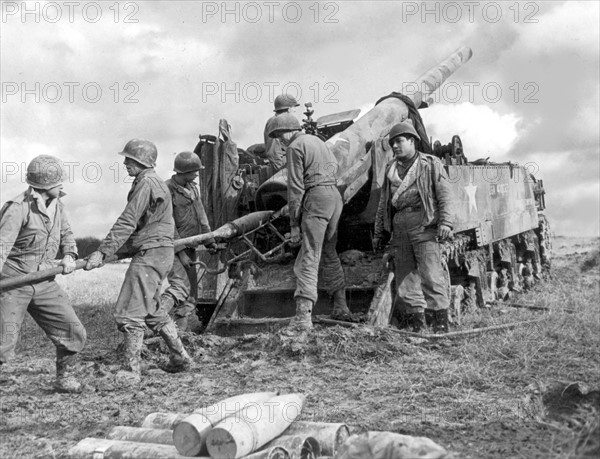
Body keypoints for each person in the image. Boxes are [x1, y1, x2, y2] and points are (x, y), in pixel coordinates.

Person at [85, 139, 192, 383]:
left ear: (142, 162)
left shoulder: (147, 183)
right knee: (152, 312)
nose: (124, 163)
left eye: (129, 160)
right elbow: (144, 229)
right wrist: (111, 253)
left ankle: (131, 372)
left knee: (129, 313)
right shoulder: (152, 183)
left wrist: (103, 251)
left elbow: (128, 221)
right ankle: (181, 358)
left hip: (151, 254)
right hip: (160, 252)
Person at [0, 155, 85, 392]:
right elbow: (1, 247)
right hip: (14, 281)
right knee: (3, 344)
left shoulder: (58, 205)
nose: (62, 186)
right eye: (59, 182)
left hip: (44, 280)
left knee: (73, 331)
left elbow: (67, 234)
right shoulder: (18, 209)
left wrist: (70, 255)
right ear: (46, 184)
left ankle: (64, 378)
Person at [269, 113, 352, 335]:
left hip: (316, 198)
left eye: (279, 135)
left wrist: (294, 223)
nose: (280, 140)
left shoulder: (295, 147)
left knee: (309, 254)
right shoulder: (317, 141)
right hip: (334, 196)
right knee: (328, 250)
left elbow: (295, 188)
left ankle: (303, 317)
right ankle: (341, 306)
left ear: (289, 130)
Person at [373, 121, 454, 333]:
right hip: (399, 226)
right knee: (405, 280)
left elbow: (444, 195)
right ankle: (418, 327)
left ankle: (441, 328)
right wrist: (379, 232)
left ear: (412, 141)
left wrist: (445, 222)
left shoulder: (430, 163)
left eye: (399, 141)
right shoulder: (391, 168)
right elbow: (384, 203)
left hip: (423, 223)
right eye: (392, 143)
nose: (395, 146)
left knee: (431, 275)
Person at [161, 151, 217, 332]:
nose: (197, 175)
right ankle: (155, 320)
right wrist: (181, 253)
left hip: (190, 246)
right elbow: (168, 224)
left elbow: (202, 216)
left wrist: (209, 241)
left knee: (191, 292)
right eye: (194, 172)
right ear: (183, 172)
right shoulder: (167, 190)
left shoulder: (192, 188)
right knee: (180, 288)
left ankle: (179, 334)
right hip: (173, 248)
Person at [263, 94, 300, 170]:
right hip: (282, 165)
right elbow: (273, 152)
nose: (295, 110)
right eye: (294, 108)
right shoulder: (274, 122)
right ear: (289, 109)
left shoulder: (285, 121)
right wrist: (281, 171)